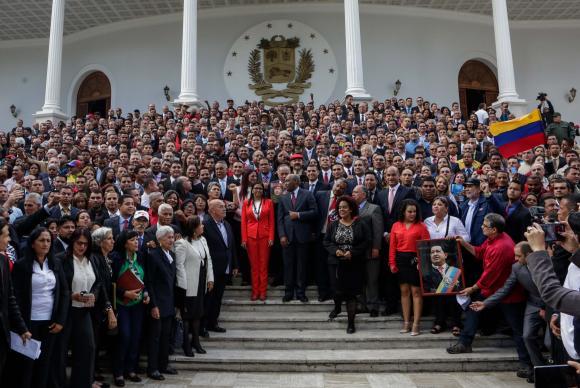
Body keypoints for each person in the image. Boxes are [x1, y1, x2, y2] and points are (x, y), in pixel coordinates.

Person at [448, 213, 532, 380]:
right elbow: (479, 252)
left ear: (494, 229)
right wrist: (463, 243)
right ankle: (465, 343)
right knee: (473, 310)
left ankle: (527, 363)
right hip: (491, 289)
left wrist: (472, 288)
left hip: (508, 293)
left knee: (518, 330)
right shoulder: (494, 238)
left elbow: (489, 275)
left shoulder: (501, 247)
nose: (481, 227)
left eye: (484, 226)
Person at [470, 241, 545, 383]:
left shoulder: (544, 263)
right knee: (527, 336)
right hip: (533, 305)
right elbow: (505, 289)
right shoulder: (516, 268)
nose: (515, 259)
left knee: (548, 341)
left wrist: (546, 308)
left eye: (518, 256)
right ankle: (540, 369)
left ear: (529, 255)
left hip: (551, 305)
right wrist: (485, 303)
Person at [8, 227, 69, 388]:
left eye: (48, 240)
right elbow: (15, 297)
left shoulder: (55, 263)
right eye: (41, 240)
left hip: (50, 322)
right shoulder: (22, 265)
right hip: (29, 322)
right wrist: (20, 326)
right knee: (27, 365)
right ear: (33, 243)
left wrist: (61, 320)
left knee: (45, 364)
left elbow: (64, 292)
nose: (46, 244)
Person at [58, 227, 103, 388]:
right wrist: (72, 295)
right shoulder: (62, 259)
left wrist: (94, 295)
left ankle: (83, 382)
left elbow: (98, 282)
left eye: (85, 244)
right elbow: (57, 287)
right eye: (79, 243)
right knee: (61, 350)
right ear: (72, 242)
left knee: (88, 347)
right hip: (66, 311)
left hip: (85, 310)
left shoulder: (92, 259)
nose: (82, 247)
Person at [323, 196, 370, 333]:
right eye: (339, 208)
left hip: (353, 263)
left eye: (344, 207)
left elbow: (366, 242)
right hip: (336, 263)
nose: (341, 210)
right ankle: (337, 308)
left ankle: (351, 323)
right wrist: (336, 250)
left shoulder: (360, 223)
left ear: (351, 209)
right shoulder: (334, 225)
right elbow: (326, 242)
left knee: (351, 294)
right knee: (337, 291)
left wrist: (353, 252)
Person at [111, 230, 150, 387]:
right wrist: (124, 293)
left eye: (137, 240)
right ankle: (118, 372)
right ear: (125, 242)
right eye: (133, 240)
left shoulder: (141, 256)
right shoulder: (116, 258)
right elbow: (110, 283)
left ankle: (130, 369)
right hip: (122, 304)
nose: (137, 242)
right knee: (125, 336)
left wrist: (146, 293)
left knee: (135, 337)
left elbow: (145, 279)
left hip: (138, 305)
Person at [389, 199, 430, 336]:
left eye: (414, 211)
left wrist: (422, 263)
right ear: (404, 212)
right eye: (409, 211)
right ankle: (406, 322)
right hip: (401, 260)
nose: (412, 214)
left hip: (415, 260)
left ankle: (416, 323)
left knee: (416, 292)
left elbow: (426, 247)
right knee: (404, 292)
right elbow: (392, 247)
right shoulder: (396, 225)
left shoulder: (422, 226)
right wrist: (392, 263)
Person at [175, 216, 214, 357]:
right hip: (188, 284)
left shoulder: (202, 240)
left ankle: (196, 342)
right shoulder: (182, 243)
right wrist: (183, 286)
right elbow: (179, 266)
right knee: (187, 316)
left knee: (197, 314)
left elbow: (207, 259)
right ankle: (186, 345)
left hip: (201, 282)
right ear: (194, 228)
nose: (203, 227)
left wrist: (210, 279)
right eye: (201, 225)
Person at [277, 174, 318, 302]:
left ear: (296, 182)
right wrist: (282, 235)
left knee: (301, 266)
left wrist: (299, 215)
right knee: (288, 265)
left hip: (303, 237)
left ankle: (301, 293)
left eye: (287, 180)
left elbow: (315, 212)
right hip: (287, 237)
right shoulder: (283, 197)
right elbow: (280, 219)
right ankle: (288, 292)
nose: (285, 182)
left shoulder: (307, 194)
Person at [0, 217, 31, 380]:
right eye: (5, 235)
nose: (9, 239)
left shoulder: (4, 260)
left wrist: (22, 328)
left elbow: (10, 298)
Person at [202, 199, 238, 335]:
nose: (224, 209)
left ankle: (213, 322)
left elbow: (231, 246)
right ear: (211, 210)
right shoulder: (205, 224)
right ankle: (203, 325)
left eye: (224, 206)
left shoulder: (227, 224)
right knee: (208, 297)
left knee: (218, 298)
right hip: (211, 268)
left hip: (225, 267)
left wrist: (234, 264)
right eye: (221, 207)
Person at [146, 225, 177, 380]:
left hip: (169, 303)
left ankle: (163, 365)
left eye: (172, 237)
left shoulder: (171, 254)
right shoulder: (153, 255)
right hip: (158, 303)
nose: (171, 240)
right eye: (168, 237)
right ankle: (153, 368)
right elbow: (149, 281)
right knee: (155, 337)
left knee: (166, 336)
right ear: (159, 239)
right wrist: (154, 305)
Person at [91, 227, 118, 383]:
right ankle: (92, 374)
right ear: (100, 242)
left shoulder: (107, 257)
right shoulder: (96, 258)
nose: (112, 241)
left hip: (105, 305)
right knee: (93, 341)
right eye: (109, 238)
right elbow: (100, 285)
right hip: (97, 307)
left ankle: (95, 369)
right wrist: (109, 309)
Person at [241, 182, 275, 300]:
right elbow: (244, 223)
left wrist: (271, 237)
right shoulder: (246, 203)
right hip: (251, 237)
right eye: (256, 188)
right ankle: (255, 292)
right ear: (252, 190)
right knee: (254, 266)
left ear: (263, 190)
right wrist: (244, 239)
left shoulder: (268, 202)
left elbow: (271, 221)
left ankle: (262, 292)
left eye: (260, 188)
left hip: (265, 237)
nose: (258, 190)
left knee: (263, 265)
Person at [422, 245, 462, 336]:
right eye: (432, 252)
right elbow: (426, 287)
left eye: (438, 251)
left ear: (445, 255)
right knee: (438, 296)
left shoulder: (455, 270)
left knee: (455, 295)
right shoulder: (426, 272)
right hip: (437, 298)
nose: (435, 254)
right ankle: (439, 323)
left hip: (453, 298)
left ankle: (456, 324)